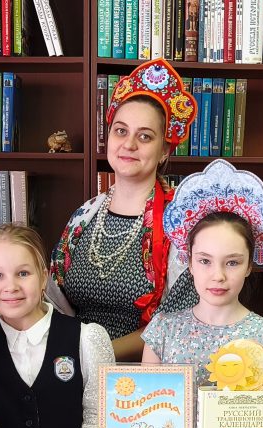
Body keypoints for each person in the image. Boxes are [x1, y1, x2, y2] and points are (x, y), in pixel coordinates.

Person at [49, 58, 199, 360]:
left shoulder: (181, 226)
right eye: (120, 131)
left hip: (145, 374)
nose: (129, 144)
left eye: (144, 136)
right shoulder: (84, 216)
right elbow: (53, 299)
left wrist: (96, 355)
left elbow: (180, 321)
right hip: (74, 366)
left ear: (164, 150)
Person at [0, 224, 114, 428]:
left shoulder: (86, 338)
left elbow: (99, 419)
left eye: (23, 273)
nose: (11, 286)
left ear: (43, 277)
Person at [143, 211, 263, 428]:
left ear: (249, 266)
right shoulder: (163, 330)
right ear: (190, 263)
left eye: (232, 262)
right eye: (205, 261)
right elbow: (145, 413)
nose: (218, 276)